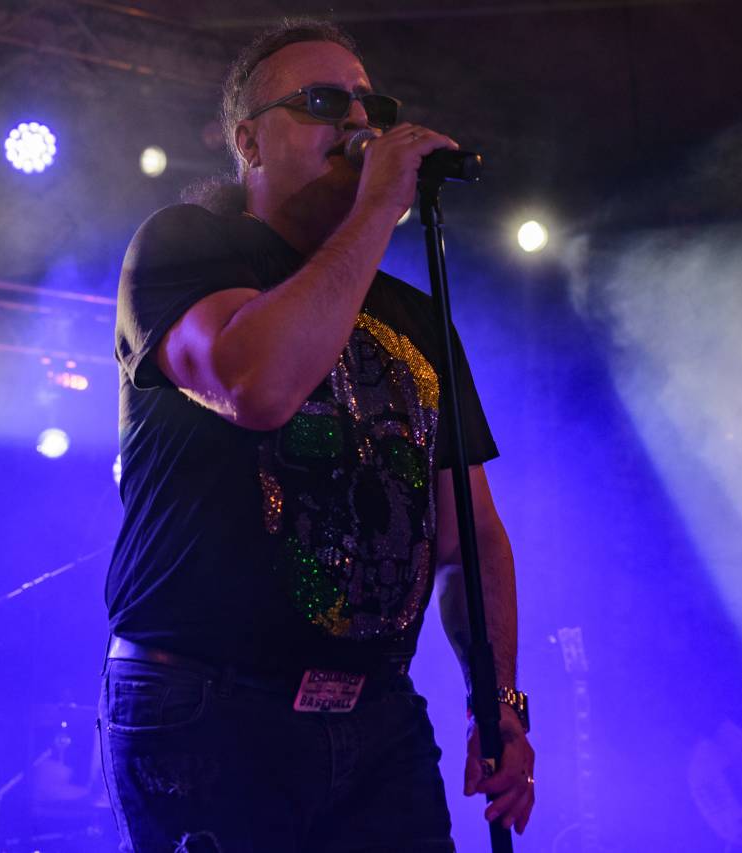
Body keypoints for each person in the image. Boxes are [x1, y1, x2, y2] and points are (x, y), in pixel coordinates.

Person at [99, 18, 534, 852]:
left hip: (378, 722)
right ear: (249, 143)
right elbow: (254, 384)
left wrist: (499, 702)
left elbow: (471, 537)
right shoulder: (186, 247)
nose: (360, 121)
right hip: (211, 710)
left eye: (372, 104)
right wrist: (376, 208)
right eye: (323, 103)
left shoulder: (418, 320)